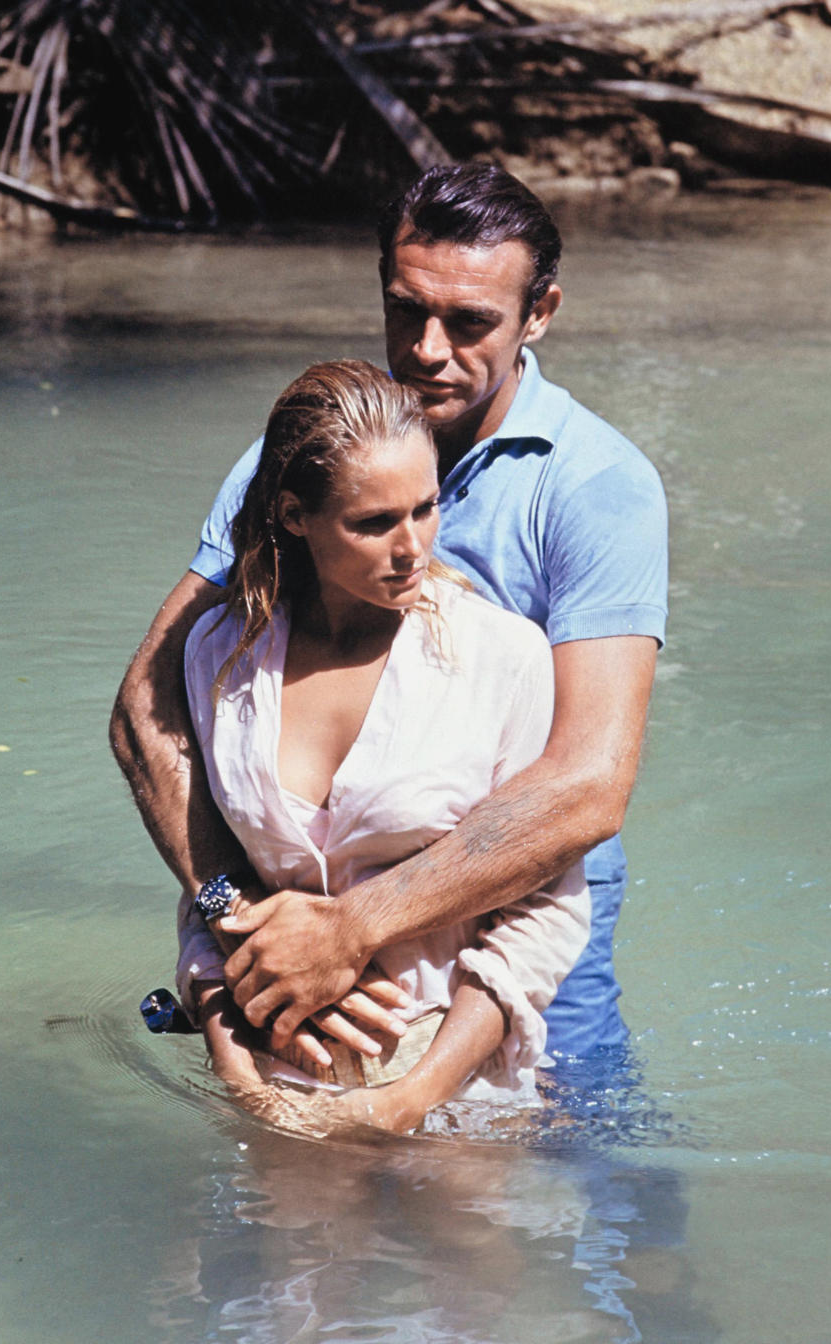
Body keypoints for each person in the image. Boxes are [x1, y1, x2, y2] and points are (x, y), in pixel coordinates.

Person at [110, 162, 667, 1087]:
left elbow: (588, 787)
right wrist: (238, 915)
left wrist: (355, 929)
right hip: (293, 907)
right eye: (406, 310)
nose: (428, 349)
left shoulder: (596, 486)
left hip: (520, 919)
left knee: (584, 1188)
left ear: (541, 312)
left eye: (470, 322)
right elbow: (149, 703)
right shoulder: (297, 455)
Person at [183, 359, 590, 1131]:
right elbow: (211, 885)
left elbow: (544, 909)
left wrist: (407, 1099)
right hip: (270, 1082)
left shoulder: (503, 657)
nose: (413, 547)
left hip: (454, 1094)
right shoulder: (220, 652)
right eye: (373, 523)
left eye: (427, 509)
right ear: (295, 515)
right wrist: (237, 1072)